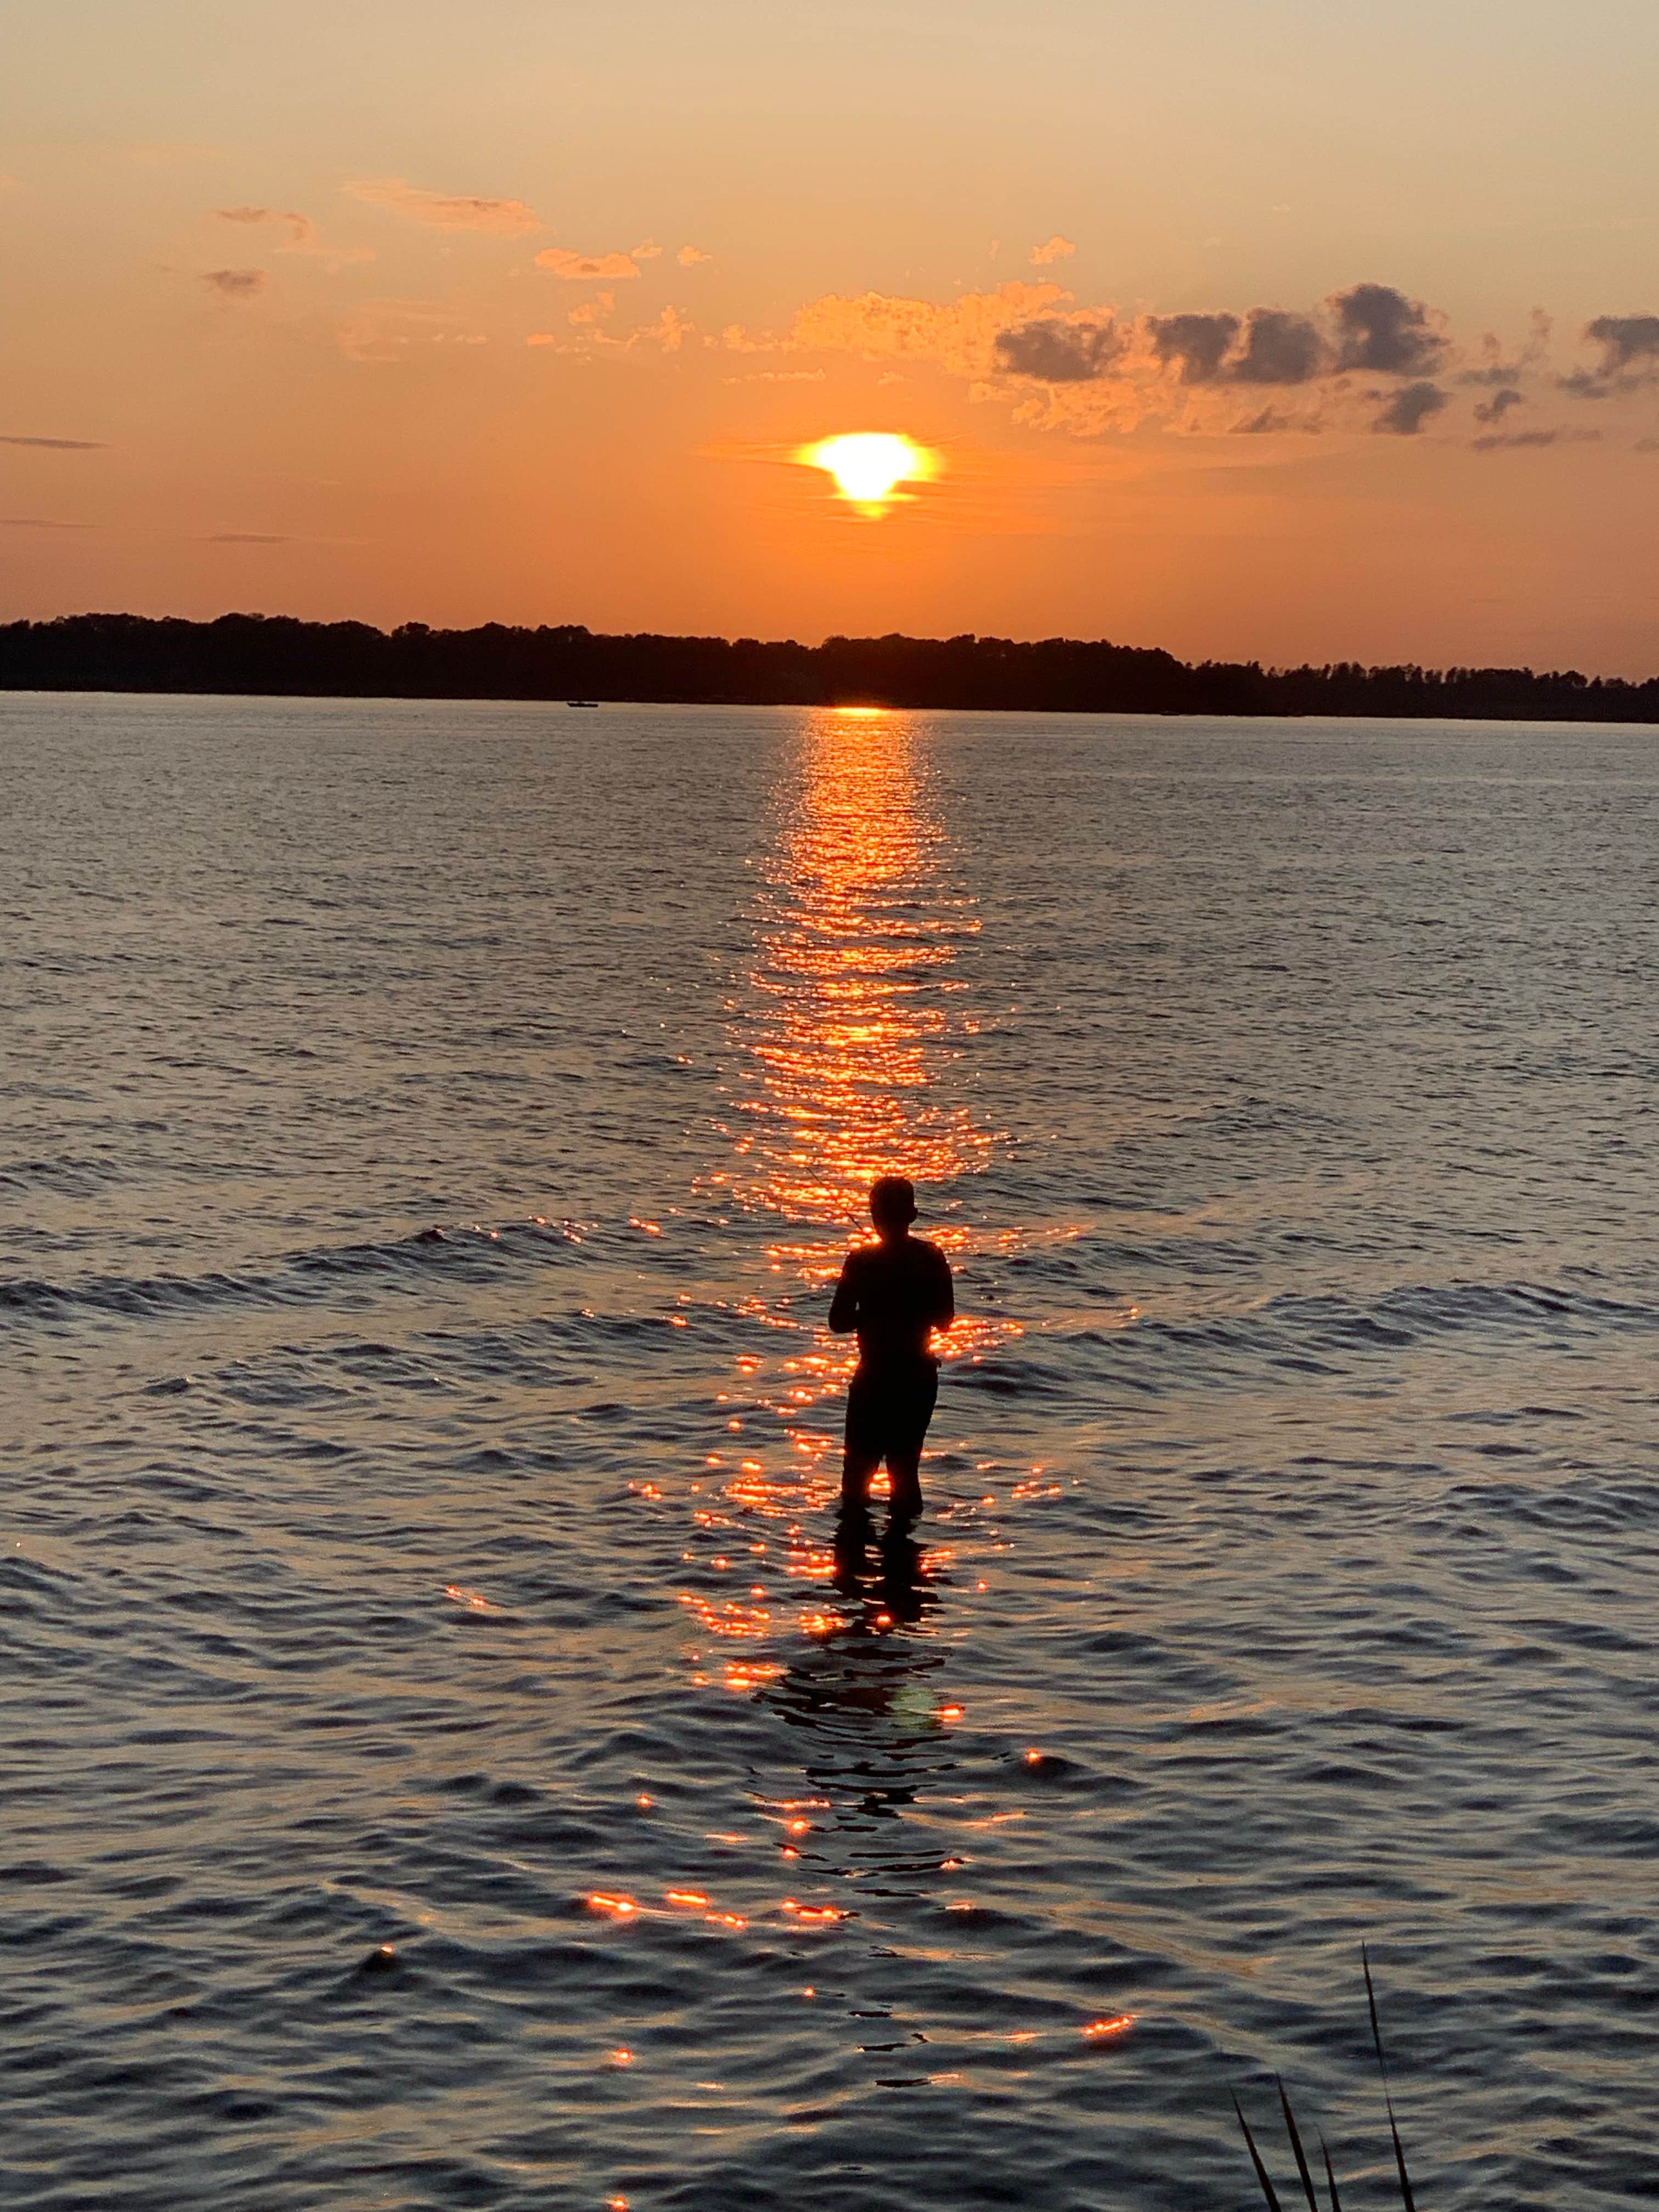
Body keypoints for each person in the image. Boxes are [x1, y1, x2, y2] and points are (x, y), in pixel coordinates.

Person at [829, 1175, 955, 1530]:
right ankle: (905, 1560)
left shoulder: (860, 1261)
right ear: (912, 1215)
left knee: (856, 1476)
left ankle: (852, 1563)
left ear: (874, 1216)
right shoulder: (932, 1257)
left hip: (874, 1379)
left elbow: (837, 1321)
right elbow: (946, 1320)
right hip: (917, 1380)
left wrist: (870, 1311)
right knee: (905, 1470)